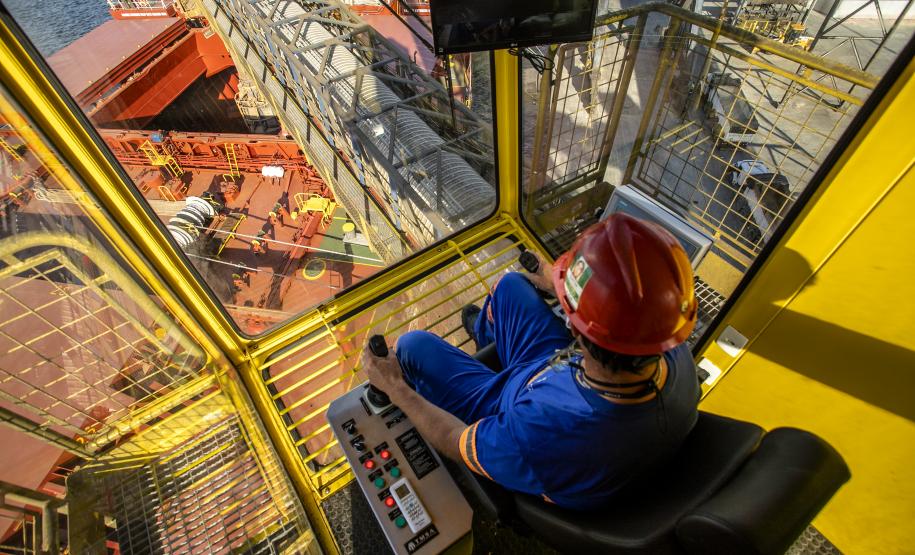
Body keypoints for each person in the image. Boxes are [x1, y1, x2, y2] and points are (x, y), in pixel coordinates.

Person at [362, 214, 701, 510]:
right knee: (510, 285)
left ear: (577, 329)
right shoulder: (671, 350)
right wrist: (559, 283)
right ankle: (487, 335)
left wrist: (394, 389)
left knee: (412, 346)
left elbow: (456, 440)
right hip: (559, 368)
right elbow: (629, 314)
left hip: (510, 404)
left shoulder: (541, 433)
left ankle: (485, 343)